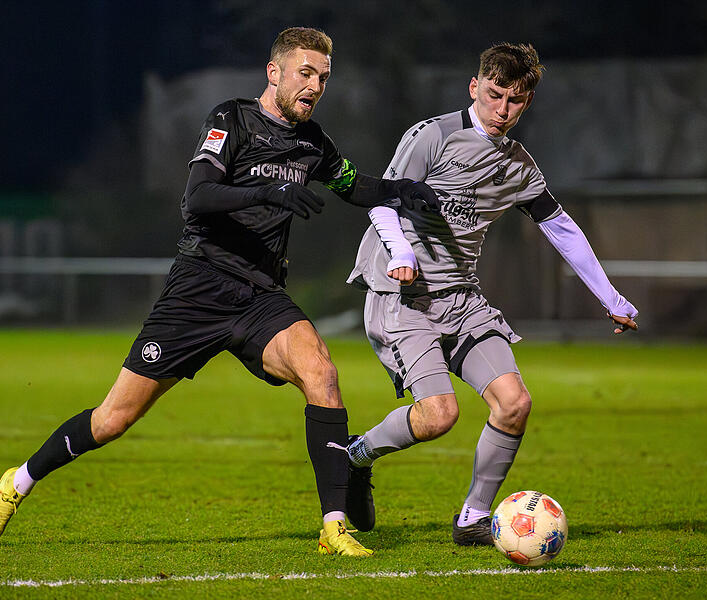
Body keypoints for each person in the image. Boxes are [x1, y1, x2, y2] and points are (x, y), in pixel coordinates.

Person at [0, 27, 439, 557]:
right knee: (113, 419)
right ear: (273, 72)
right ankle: (15, 483)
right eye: (306, 73)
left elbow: (355, 185)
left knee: (320, 370)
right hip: (199, 287)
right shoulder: (229, 120)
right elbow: (198, 198)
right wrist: (268, 189)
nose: (315, 85)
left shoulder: (313, 143)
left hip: (259, 295)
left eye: (323, 77)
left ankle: (333, 527)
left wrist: (403, 191)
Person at [344, 42, 638, 545]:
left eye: (516, 101)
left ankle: (473, 518)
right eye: (495, 94)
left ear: (528, 103)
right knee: (440, 415)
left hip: (462, 298)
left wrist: (610, 297)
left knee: (514, 403)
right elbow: (382, 200)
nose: (502, 111)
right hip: (404, 296)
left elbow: (561, 227)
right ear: (475, 86)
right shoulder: (432, 136)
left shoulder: (519, 166)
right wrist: (402, 253)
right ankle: (354, 456)